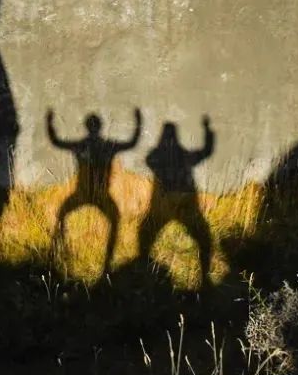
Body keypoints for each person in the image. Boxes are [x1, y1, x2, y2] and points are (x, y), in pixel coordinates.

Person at [47, 108, 142, 278]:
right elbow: (132, 143)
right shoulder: (106, 146)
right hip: (94, 194)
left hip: (86, 193)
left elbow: (56, 141)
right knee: (113, 221)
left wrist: (49, 123)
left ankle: (60, 256)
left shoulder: (83, 145)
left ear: (87, 127)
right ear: (99, 127)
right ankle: (104, 265)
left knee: (63, 215)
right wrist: (138, 123)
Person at [137, 117, 215, 285]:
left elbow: (148, 160)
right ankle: (205, 278)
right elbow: (206, 151)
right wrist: (208, 130)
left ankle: (143, 272)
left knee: (145, 234)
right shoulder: (184, 156)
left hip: (170, 203)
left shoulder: (158, 156)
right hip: (180, 203)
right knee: (203, 238)